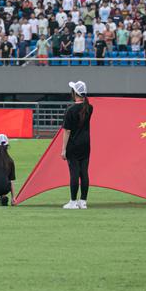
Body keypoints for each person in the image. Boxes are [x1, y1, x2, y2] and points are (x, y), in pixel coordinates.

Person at [61, 81, 93, 210]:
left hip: (73, 145)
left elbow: (67, 131)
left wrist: (63, 149)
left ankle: (73, 201)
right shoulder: (90, 108)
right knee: (84, 172)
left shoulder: (70, 110)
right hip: (86, 144)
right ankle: (83, 201)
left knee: (74, 173)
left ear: (75, 93)